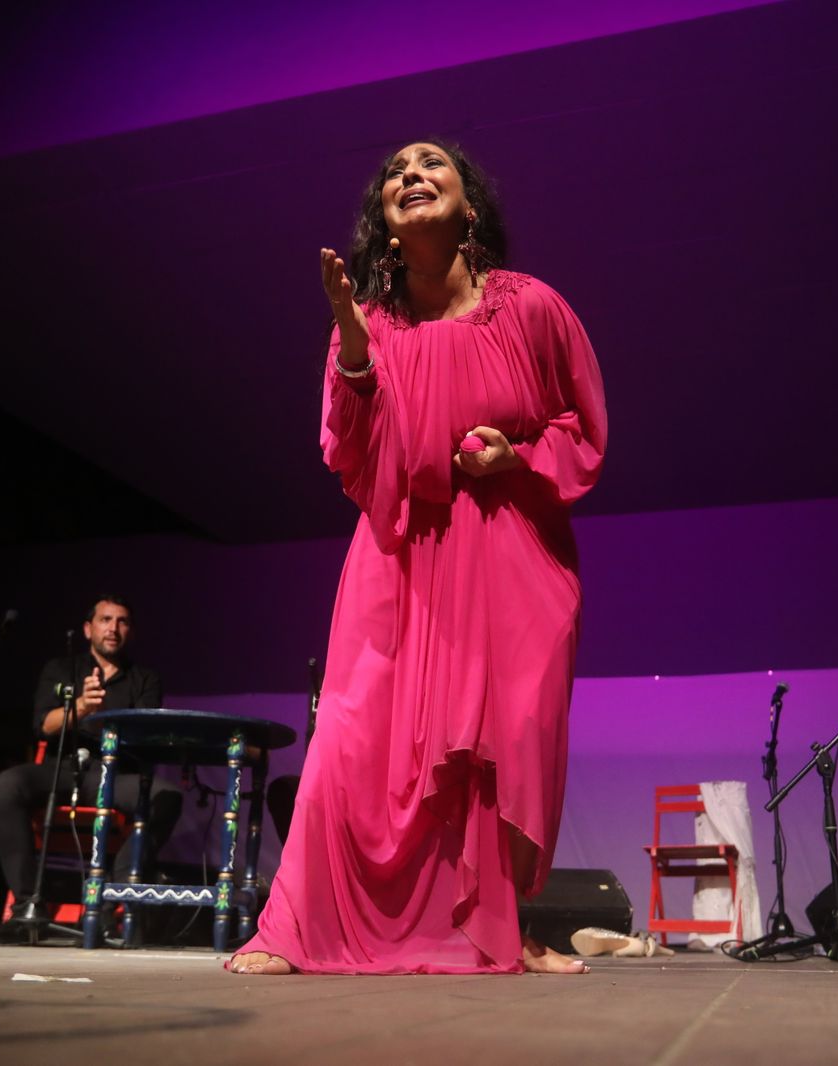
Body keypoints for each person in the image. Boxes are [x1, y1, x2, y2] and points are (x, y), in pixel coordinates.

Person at [230, 140, 607, 974]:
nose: (411, 173)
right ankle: (301, 928)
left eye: (432, 163)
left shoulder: (533, 306)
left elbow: (582, 427)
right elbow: (352, 452)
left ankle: (503, 929)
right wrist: (353, 343)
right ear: (385, 219)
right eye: (396, 170)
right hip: (401, 549)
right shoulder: (367, 321)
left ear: (470, 205)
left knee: (504, 734)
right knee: (356, 735)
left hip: (511, 548)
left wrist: (516, 456)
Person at [0, 595, 183, 910]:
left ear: (131, 632)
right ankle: (28, 901)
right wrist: (80, 706)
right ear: (88, 629)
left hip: (114, 774)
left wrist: (106, 718)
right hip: (62, 770)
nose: (113, 628)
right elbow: (43, 725)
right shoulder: (61, 668)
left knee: (167, 797)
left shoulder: (145, 679)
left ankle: (112, 896)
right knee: (5, 786)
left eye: (122, 622)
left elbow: (145, 736)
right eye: (105, 620)